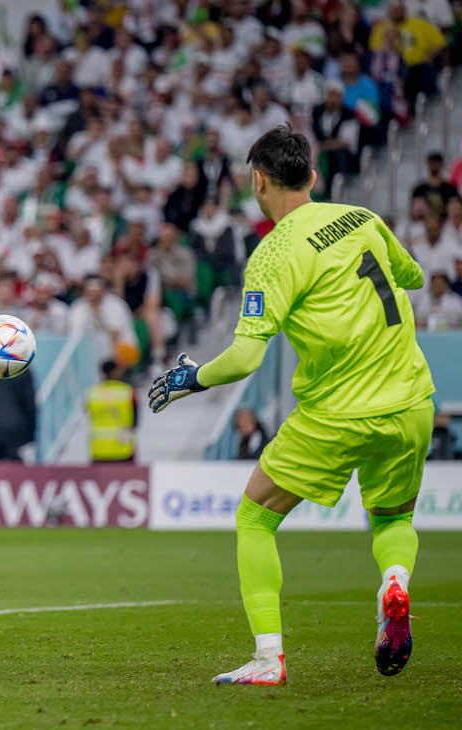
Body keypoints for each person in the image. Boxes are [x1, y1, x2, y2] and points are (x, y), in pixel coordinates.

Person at [149, 127, 435, 684]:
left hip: (338, 412)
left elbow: (243, 360)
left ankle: (267, 659)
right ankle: (394, 582)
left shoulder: (274, 254)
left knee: (255, 516)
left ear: (258, 180)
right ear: (312, 176)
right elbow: (415, 276)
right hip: (411, 402)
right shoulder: (364, 218)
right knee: (394, 517)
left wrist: (191, 377)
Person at [86, 359, 136, 462]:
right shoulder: (128, 392)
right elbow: (135, 422)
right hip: (123, 448)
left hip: (98, 449)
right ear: (114, 371)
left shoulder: (92, 393)